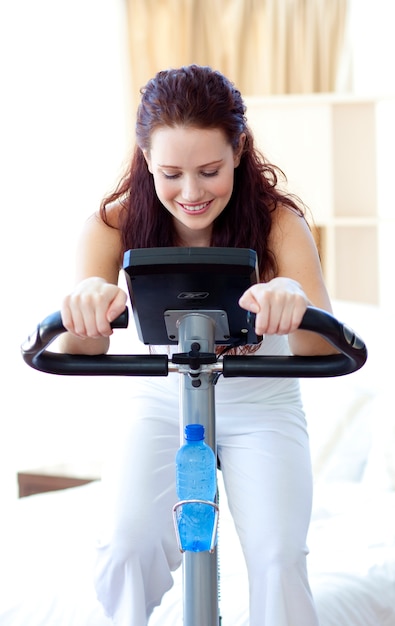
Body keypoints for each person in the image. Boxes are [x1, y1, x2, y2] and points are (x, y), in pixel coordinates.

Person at [59, 65, 334, 625]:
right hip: (163, 402)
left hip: (262, 402)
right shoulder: (110, 227)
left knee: (279, 559)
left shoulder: (277, 224)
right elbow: (79, 349)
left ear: (238, 151)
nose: (191, 193)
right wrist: (86, 306)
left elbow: (319, 343)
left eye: (209, 171)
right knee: (126, 550)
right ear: (145, 160)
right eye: (171, 173)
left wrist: (291, 300)